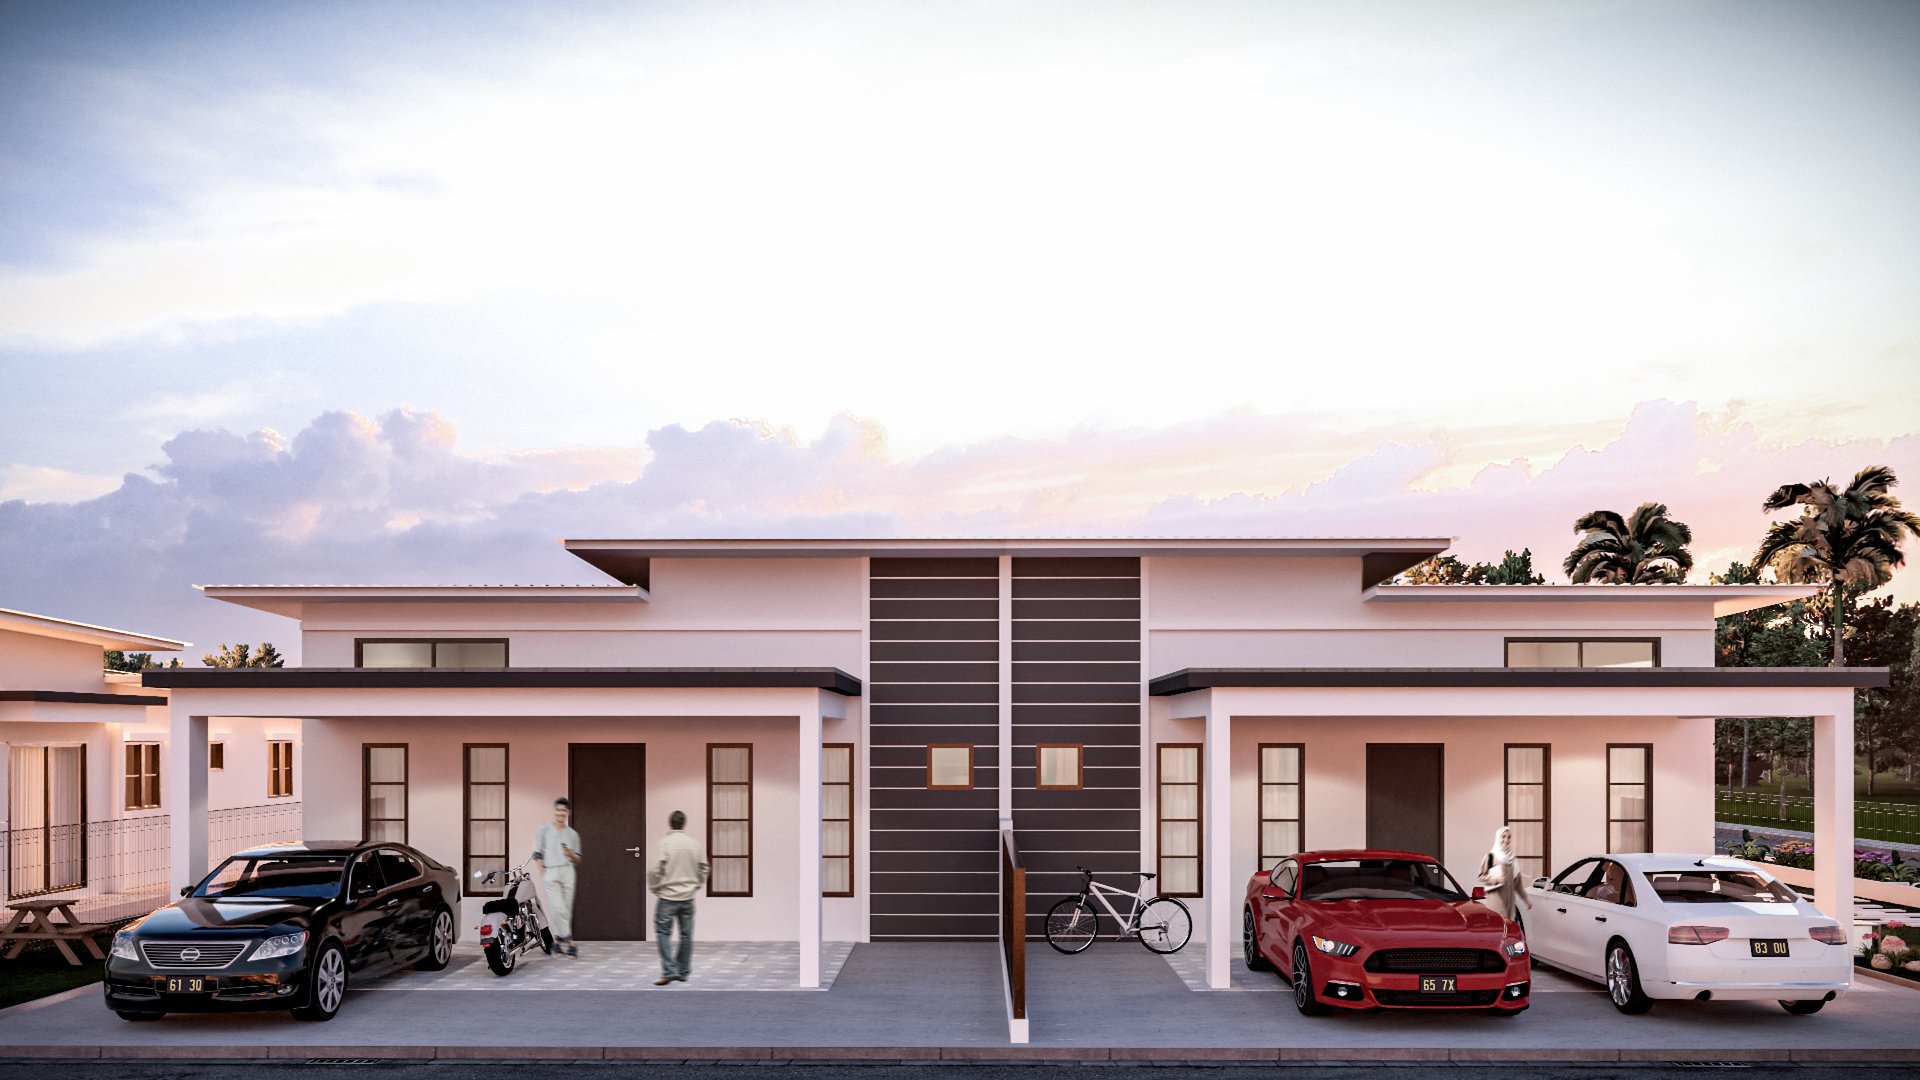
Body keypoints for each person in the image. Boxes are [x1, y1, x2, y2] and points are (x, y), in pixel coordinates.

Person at [648, 809, 709, 986]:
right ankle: (682, 971)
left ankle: (669, 970)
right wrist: (697, 884)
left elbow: (654, 870)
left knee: (663, 932)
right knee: (686, 935)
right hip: (688, 897)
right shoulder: (694, 844)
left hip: (667, 896)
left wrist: (655, 887)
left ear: (670, 824)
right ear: (684, 824)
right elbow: (704, 867)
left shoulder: (664, 844)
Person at [532, 797, 583, 957]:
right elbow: (537, 853)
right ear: (555, 810)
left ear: (568, 812)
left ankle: (559, 942)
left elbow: (578, 859)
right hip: (551, 871)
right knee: (557, 907)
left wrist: (570, 854)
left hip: (568, 871)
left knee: (566, 909)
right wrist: (543, 873)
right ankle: (570, 941)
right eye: (558, 810)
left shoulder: (573, 835)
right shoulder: (544, 830)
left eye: (564, 810)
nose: (561, 813)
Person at [1476, 826, 1532, 923]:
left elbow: (1518, 885)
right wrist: (1497, 879)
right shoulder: (1490, 857)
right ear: (1498, 838)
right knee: (1499, 925)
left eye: (1509, 837)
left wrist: (1526, 900)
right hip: (1495, 899)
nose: (1506, 840)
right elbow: (1481, 876)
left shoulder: (1513, 860)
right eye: (1503, 836)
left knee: (1509, 926)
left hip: (1510, 901)